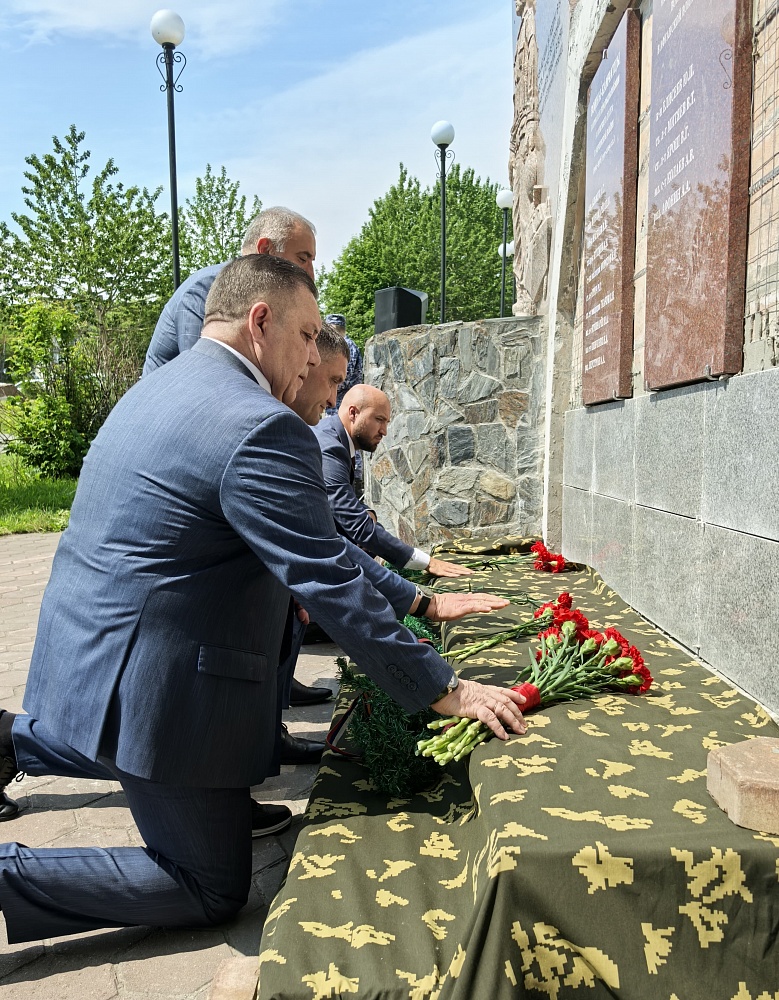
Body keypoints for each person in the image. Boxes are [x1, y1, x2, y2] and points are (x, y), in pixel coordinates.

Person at [0, 255, 527, 944]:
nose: (315, 357)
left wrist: (415, 605)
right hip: (153, 687)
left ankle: (12, 739)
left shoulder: (163, 384)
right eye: (307, 336)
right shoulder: (260, 424)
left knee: (148, 752)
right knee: (212, 884)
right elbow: (327, 574)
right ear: (260, 322)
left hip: (87, 655)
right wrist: (445, 689)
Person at [313, 385, 474, 578]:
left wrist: (367, 513)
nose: (384, 431)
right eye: (379, 419)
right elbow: (356, 524)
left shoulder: (336, 439)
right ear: (353, 413)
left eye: (387, 422)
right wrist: (427, 562)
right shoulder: (330, 448)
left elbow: (341, 502)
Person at [143, 206, 317, 375]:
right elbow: (202, 373)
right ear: (265, 250)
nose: (311, 275)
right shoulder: (206, 288)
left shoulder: (254, 296)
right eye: (302, 259)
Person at [323, 313, 364, 490]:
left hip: (344, 404)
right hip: (340, 403)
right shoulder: (346, 345)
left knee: (344, 441)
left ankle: (352, 481)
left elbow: (344, 378)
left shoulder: (346, 346)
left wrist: (325, 383)